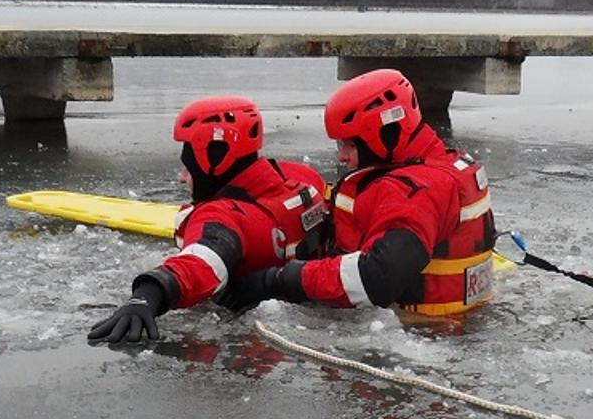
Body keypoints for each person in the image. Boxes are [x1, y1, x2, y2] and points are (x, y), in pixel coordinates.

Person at [222, 68, 496, 318]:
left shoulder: (414, 192)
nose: (341, 157)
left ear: (385, 134)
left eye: (349, 145)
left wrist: (279, 279)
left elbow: (376, 277)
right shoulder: (445, 163)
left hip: (421, 329)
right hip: (460, 318)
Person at [88, 95, 329, 344]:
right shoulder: (304, 179)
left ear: (212, 161)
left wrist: (148, 293)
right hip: (306, 296)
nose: (182, 178)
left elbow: (203, 262)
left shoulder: (221, 217)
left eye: (187, 168)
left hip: (250, 339)